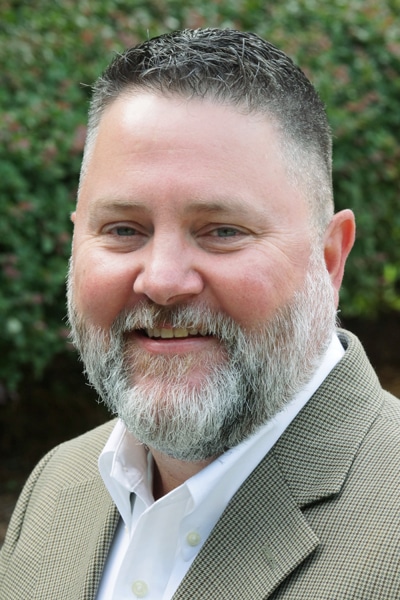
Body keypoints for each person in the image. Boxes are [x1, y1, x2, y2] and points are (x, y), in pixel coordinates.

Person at [1, 28, 399, 600]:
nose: (162, 281)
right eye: (122, 230)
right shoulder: (56, 487)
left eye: (222, 232)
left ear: (330, 257)